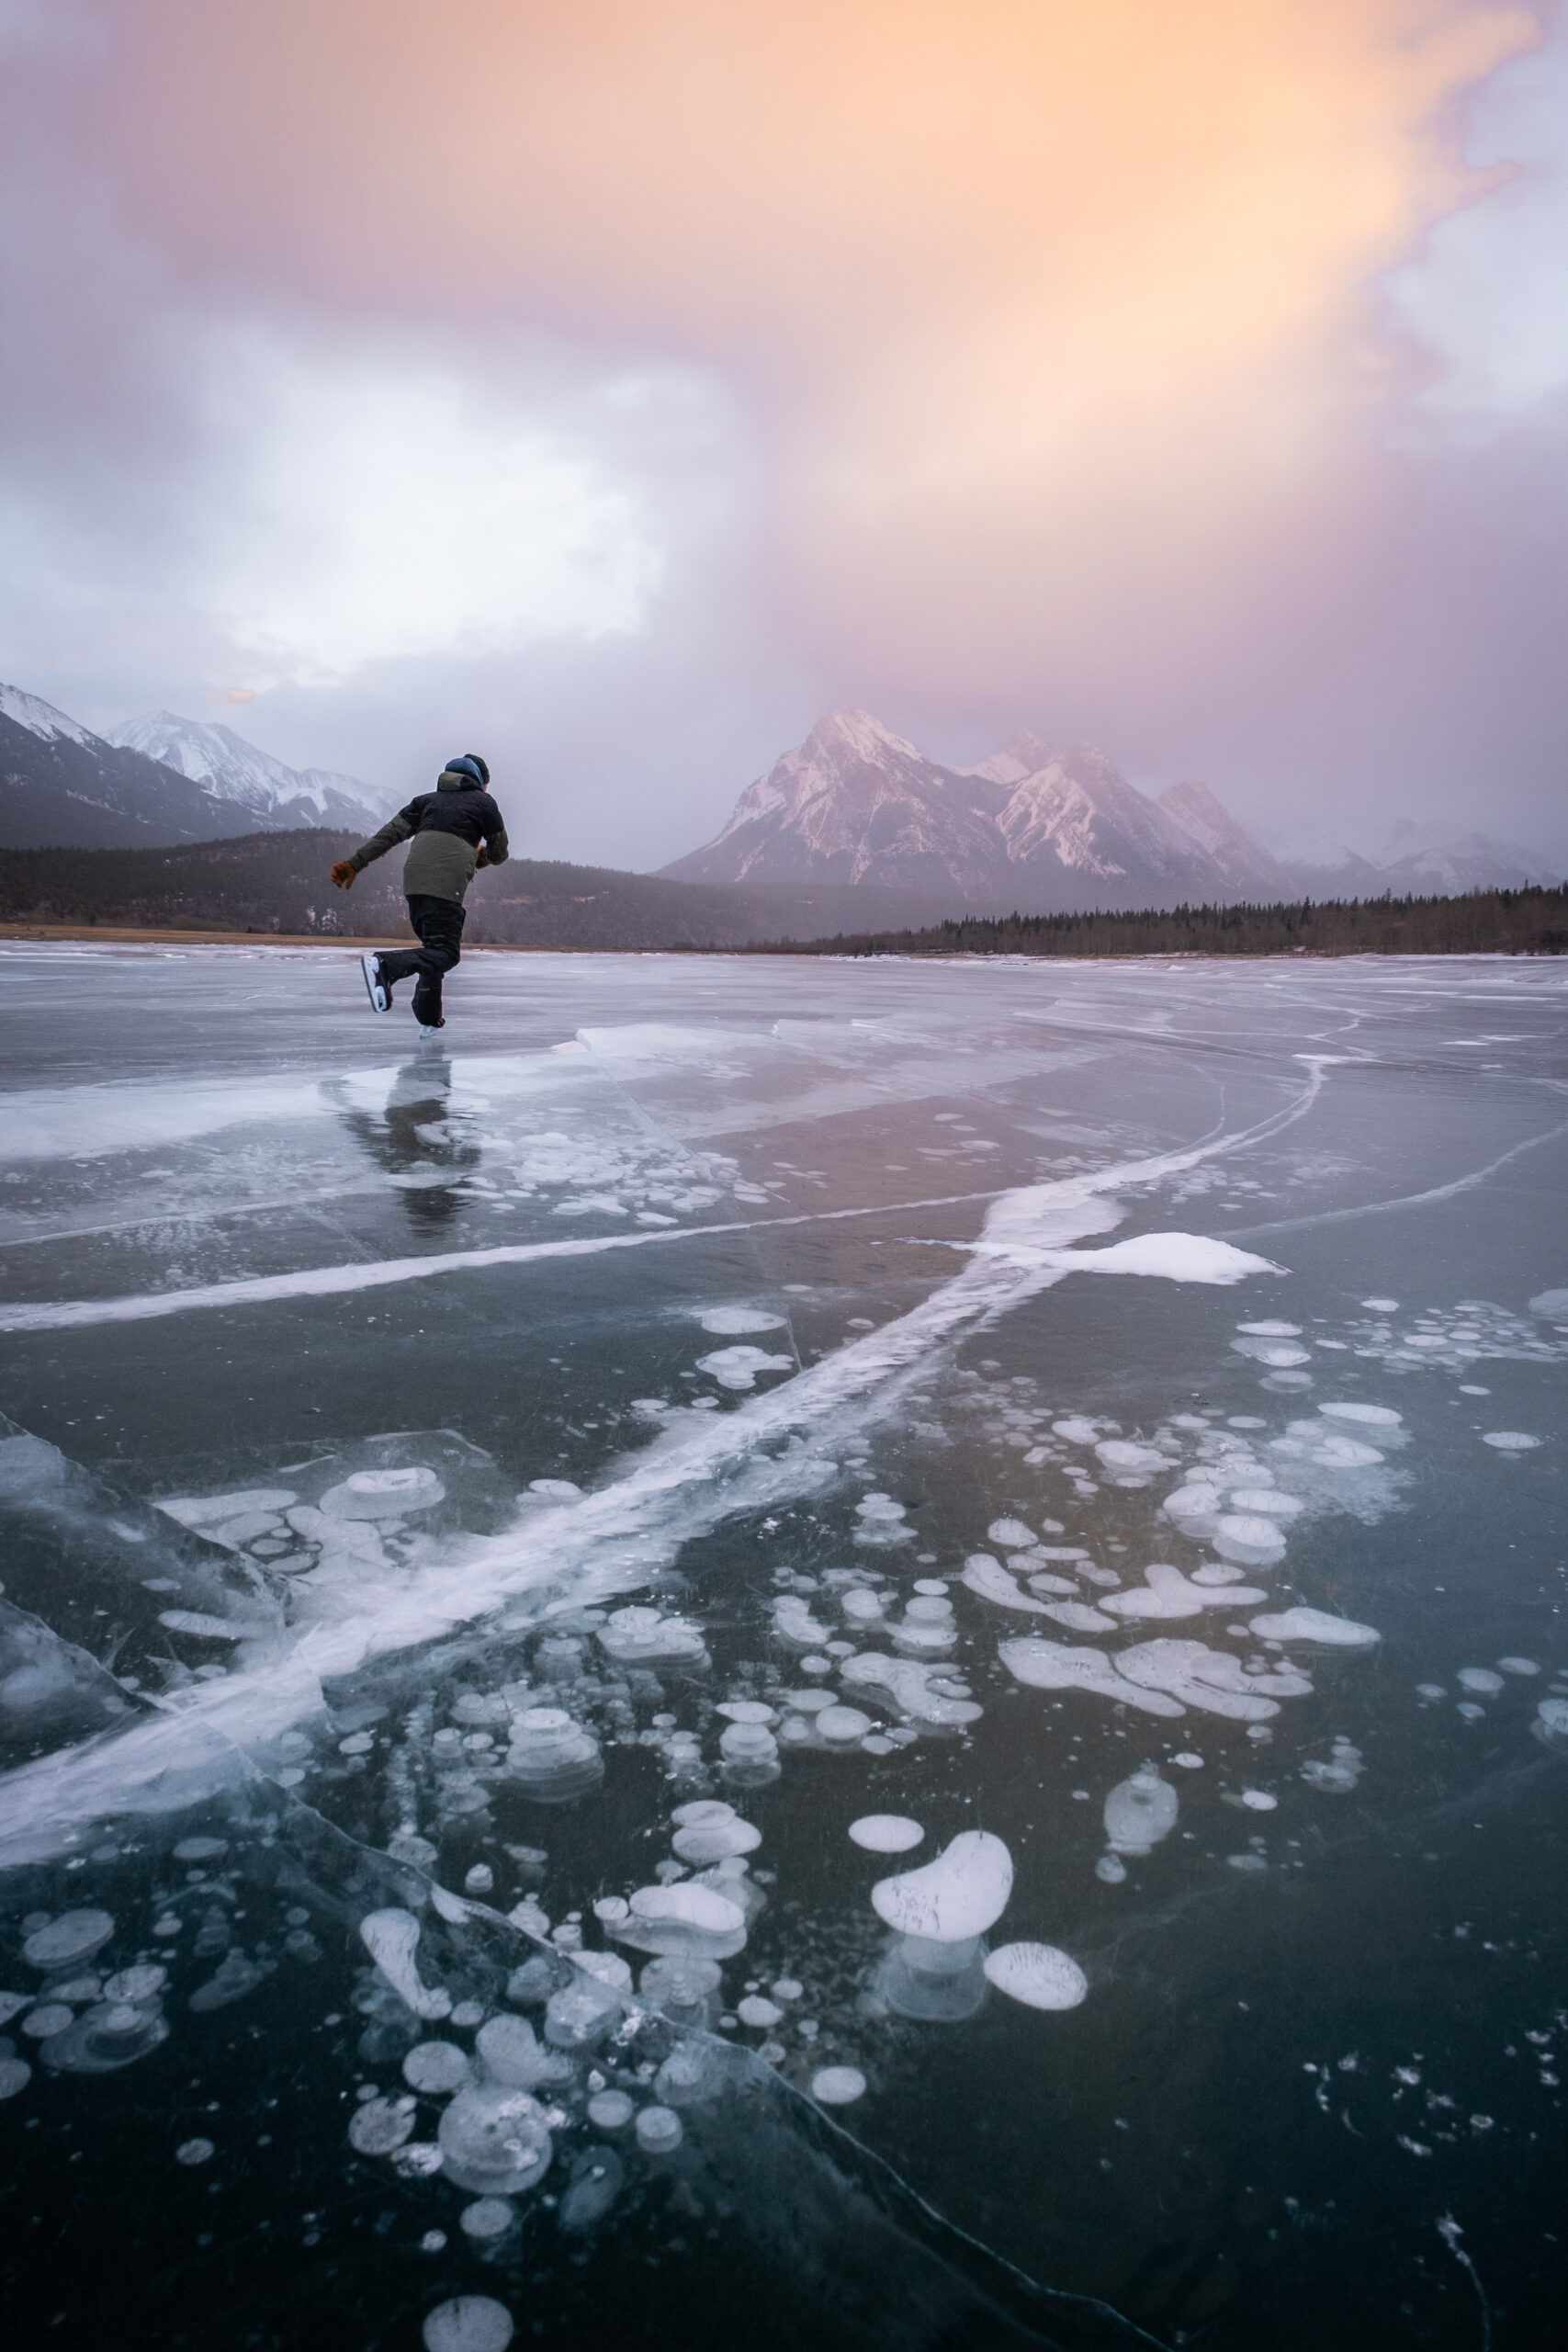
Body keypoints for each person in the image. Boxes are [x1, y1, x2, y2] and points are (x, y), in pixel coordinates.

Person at [331, 753, 508, 1032]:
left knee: (433, 950)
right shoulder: (484, 803)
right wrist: (481, 855)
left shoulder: (425, 802)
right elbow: (500, 852)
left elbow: (389, 834)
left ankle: (428, 1018)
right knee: (446, 954)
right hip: (445, 887)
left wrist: (355, 863)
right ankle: (385, 966)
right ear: (480, 783)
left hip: (413, 884)